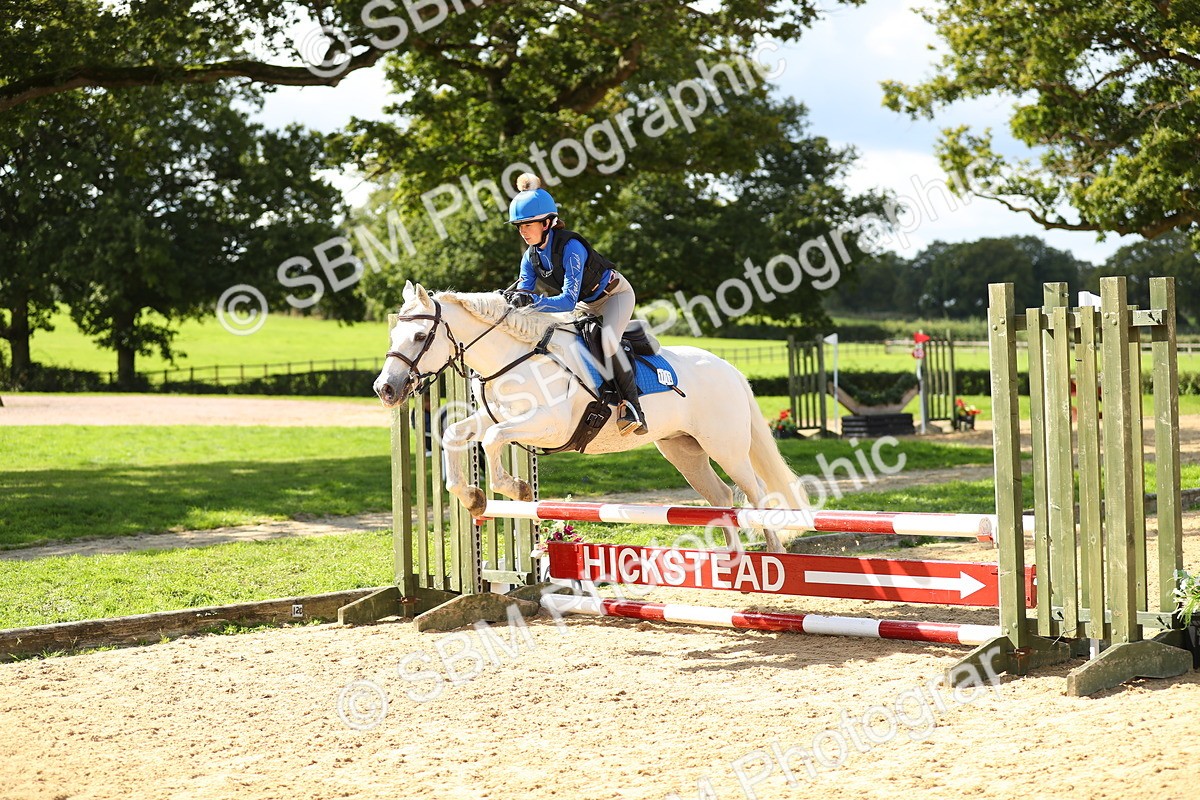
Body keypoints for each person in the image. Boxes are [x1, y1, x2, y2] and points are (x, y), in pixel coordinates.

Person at [505, 173, 647, 435]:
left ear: (547, 223)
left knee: (606, 342)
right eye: (519, 226)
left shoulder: (571, 246)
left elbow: (567, 301)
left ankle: (633, 408)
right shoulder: (530, 256)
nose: (523, 231)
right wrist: (514, 300)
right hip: (586, 303)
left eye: (528, 225)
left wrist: (533, 300)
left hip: (614, 296)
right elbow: (524, 289)